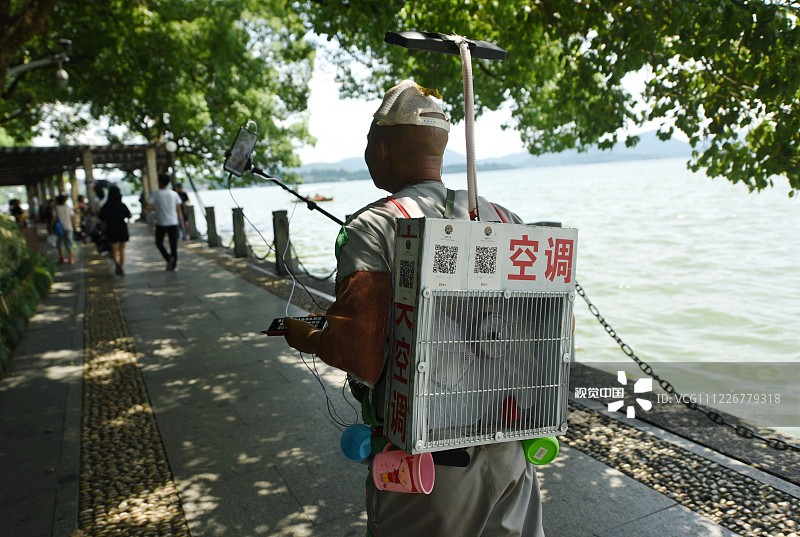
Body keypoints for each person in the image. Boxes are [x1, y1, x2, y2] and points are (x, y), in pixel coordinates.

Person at [284, 80, 544, 537]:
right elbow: (548, 328)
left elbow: (361, 352)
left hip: (426, 467)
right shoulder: (505, 220)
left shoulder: (373, 226)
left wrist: (302, 333)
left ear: (381, 150)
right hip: (510, 450)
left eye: (368, 145)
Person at [145, 173, 184, 271]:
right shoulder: (174, 194)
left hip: (161, 222)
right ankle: (173, 266)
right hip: (173, 222)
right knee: (173, 245)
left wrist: (156, 208)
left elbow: (146, 206)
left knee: (159, 243)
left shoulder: (155, 194)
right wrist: (181, 223)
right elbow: (178, 210)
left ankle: (168, 258)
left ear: (159, 182)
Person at [98, 185, 132, 275]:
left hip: (111, 229)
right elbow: (130, 215)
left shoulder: (106, 207)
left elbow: (102, 221)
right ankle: (121, 267)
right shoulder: (122, 205)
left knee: (114, 250)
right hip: (122, 228)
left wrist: (102, 231)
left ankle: (117, 265)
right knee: (122, 250)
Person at [52, 194, 74, 263]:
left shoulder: (55, 208)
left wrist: (51, 226)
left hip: (59, 228)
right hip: (68, 227)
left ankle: (62, 257)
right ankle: (71, 258)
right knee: (69, 243)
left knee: (60, 243)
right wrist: (74, 225)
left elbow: (54, 218)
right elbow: (71, 217)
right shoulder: (67, 207)